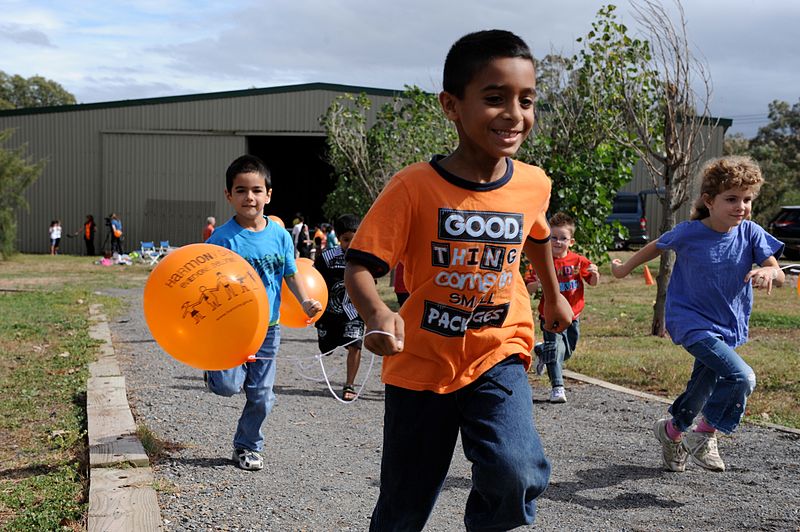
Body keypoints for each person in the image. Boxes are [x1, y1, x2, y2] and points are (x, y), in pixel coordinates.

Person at [344, 30, 573, 531]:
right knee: (404, 505)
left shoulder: (533, 183)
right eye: (495, 99)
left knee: (515, 470)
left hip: (499, 348)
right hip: (421, 361)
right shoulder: (413, 186)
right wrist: (378, 313)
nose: (514, 114)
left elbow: (535, 236)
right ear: (451, 105)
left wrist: (553, 296)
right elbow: (360, 265)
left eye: (526, 100)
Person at [611, 155, 785, 473]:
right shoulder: (689, 232)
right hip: (690, 321)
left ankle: (672, 431)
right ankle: (705, 434)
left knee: (703, 386)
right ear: (709, 200)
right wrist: (623, 269)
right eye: (731, 199)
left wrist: (770, 272)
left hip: (727, 324)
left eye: (747, 199)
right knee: (741, 376)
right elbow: (655, 246)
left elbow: (778, 270)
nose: (741, 206)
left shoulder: (751, 233)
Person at [204, 155, 323, 471]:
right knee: (228, 386)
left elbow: (290, 273)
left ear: (269, 194)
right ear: (229, 196)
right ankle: (216, 375)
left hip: (268, 329)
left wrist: (305, 301)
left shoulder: (280, 235)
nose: (249, 197)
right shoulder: (221, 239)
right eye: (240, 190)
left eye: (256, 190)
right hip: (232, 328)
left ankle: (247, 446)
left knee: (263, 395)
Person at [524, 212, 599, 403]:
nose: (557, 242)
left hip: (573, 315)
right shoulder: (541, 260)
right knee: (556, 349)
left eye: (563, 238)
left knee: (567, 351)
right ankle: (557, 387)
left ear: (571, 241)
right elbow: (528, 288)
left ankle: (542, 351)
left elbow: (592, 282)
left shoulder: (578, 261)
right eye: (553, 237)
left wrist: (595, 273)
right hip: (549, 314)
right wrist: (538, 283)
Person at [314, 214, 364, 401]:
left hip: (354, 312)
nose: (351, 244)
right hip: (330, 313)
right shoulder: (326, 258)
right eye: (346, 240)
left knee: (355, 346)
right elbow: (315, 280)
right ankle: (329, 341)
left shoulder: (365, 257)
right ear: (337, 237)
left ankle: (349, 384)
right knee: (326, 347)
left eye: (355, 239)